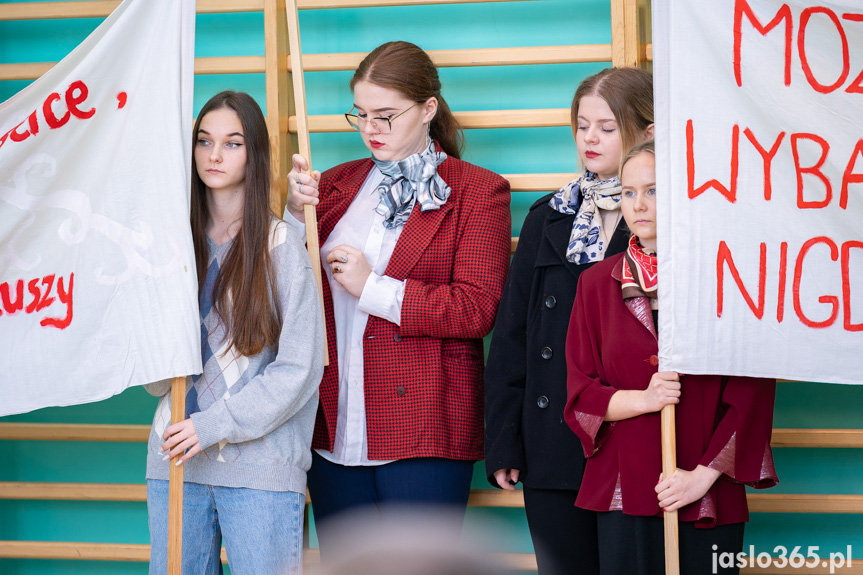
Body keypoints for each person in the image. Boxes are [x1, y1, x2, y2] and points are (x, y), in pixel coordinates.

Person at [284, 40, 511, 556]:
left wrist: (374, 288)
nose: (371, 130)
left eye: (386, 115)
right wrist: (292, 219)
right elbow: (281, 294)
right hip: (331, 426)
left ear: (428, 108)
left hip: (424, 424)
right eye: (360, 115)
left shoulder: (479, 191)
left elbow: (477, 308)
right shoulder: (333, 186)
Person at [564, 140, 778, 574]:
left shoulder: (726, 276)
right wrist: (645, 398)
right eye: (628, 192)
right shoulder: (593, 283)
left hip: (706, 490)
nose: (638, 205)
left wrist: (702, 476)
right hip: (623, 488)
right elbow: (580, 392)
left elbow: (753, 390)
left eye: (654, 191)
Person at [145, 91, 325, 575]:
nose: (215, 155)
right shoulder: (171, 250)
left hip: (260, 467)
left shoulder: (282, 246)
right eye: (204, 141)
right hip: (174, 460)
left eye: (232, 142)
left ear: (255, 152)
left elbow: (302, 368)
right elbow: (156, 377)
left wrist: (212, 425)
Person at [483, 67, 654, 575]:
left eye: (607, 126)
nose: (591, 139)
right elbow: (513, 335)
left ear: (645, 132)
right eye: (583, 125)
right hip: (552, 439)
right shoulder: (547, 215)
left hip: (630, 439)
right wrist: (504, 440)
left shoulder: (663, 216)